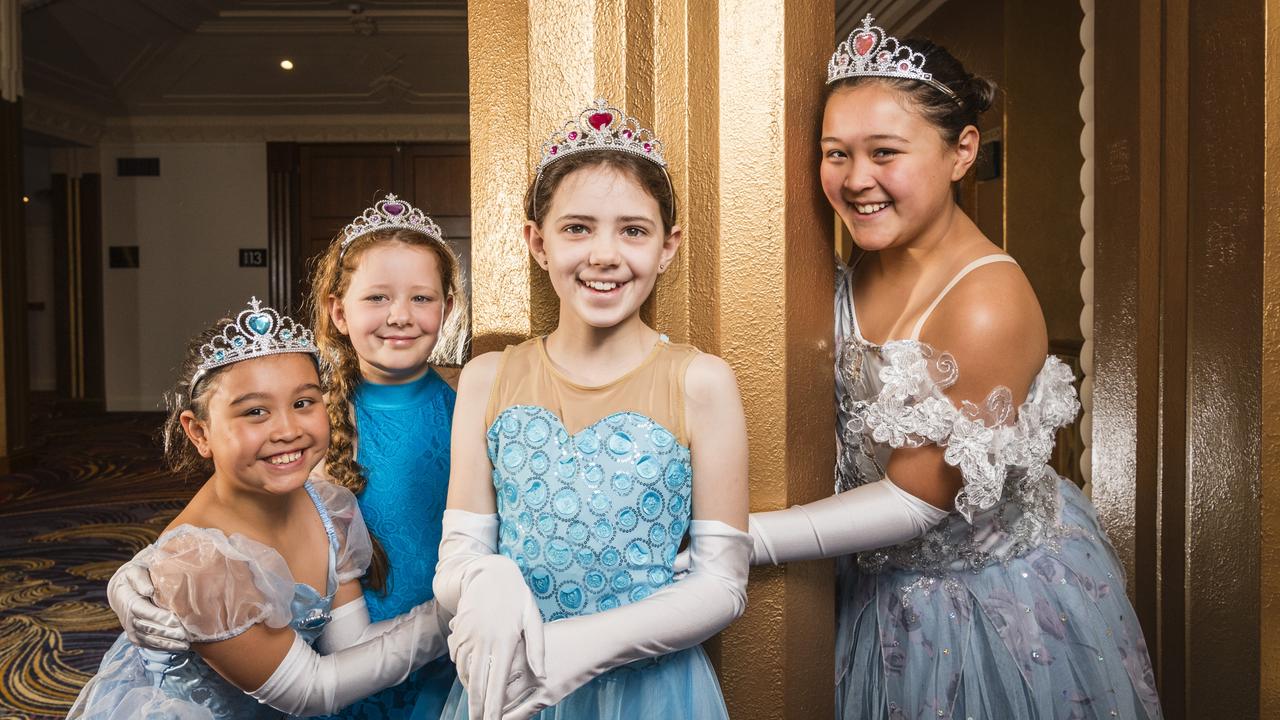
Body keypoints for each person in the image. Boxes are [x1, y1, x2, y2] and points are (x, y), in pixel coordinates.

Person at [741, 16, 1163, 719]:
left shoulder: (986, 303)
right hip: (869, 590)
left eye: (885, 152)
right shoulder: (845, 267)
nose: (856, 180)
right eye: (835, 153)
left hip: (984, 608)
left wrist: (745, 538)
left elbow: (917, 500)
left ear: (962, 151)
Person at [432, 99, 751, 720]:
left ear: (667, 247)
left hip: (653, 692)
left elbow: (721, 586)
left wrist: (580, 647)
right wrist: (482, 581)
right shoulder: (487, 379)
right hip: (514, 684)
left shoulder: (702, 383)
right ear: (537, 242)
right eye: (577, 228)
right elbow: (457, 561)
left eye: (633, 230)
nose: (604, 254)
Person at [107, 195, 469, 719]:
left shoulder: (473, 396)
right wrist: (133, 577)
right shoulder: (315, 415)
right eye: (377, 298)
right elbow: (232, 523)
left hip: (415, 646)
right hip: (334, 668)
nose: (399, 316)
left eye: (421, 298)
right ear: (338, 311)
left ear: (447, 307)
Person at [69, 299, 449, 719]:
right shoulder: (200, 565)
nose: (287, 430)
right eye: (255, 412)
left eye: (304, 402)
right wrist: (450, 613)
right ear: (199, 432)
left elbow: (349, 648)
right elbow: (312, 691)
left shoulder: (327, 506)